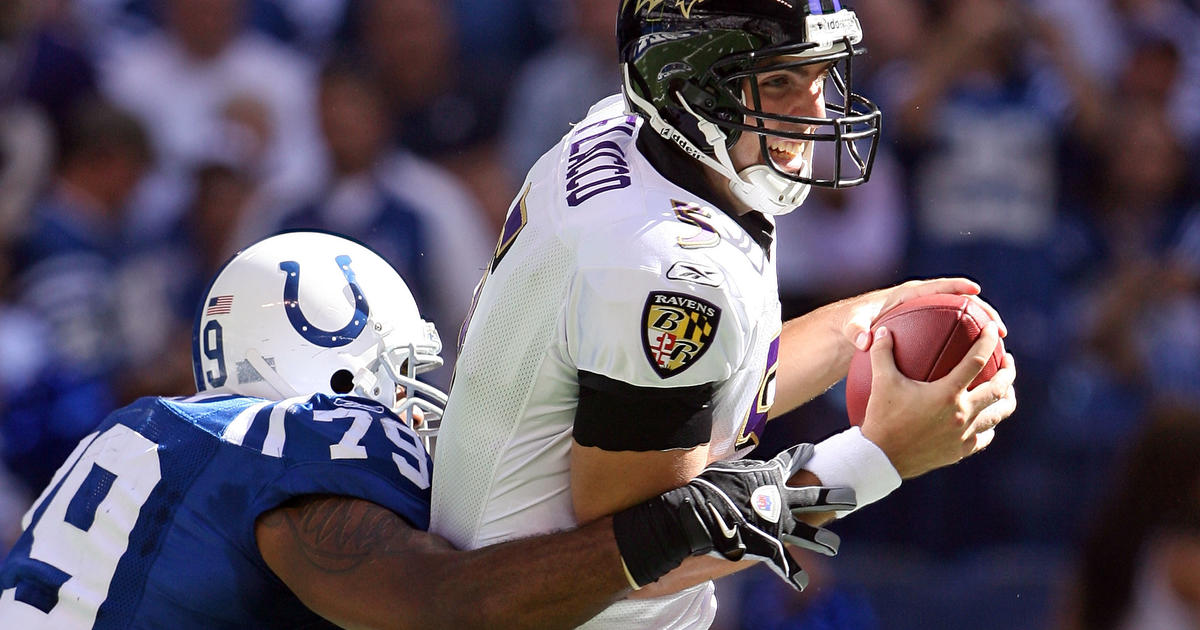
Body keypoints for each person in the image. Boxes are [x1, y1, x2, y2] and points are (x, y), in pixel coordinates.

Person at [429, 2, 1018, 628]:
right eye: (780, 83)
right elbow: (630, 555)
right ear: (689, 91)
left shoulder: (633, 140)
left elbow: (705, 395)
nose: (816, 111)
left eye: (819, 77)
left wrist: (867, 320)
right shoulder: (671, 271)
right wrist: (877, 458)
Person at [0, 230, 855, 629]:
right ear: (338, 364)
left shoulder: (145, 443)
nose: (416, 406)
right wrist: (670, 522)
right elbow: (452, 605)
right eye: (402, 374)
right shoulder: (298, 443)